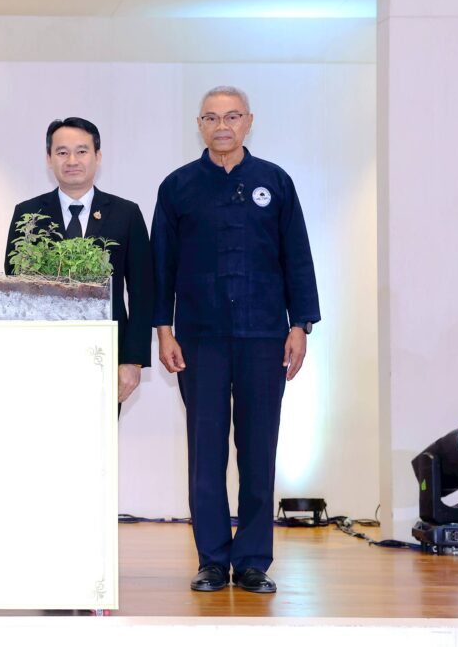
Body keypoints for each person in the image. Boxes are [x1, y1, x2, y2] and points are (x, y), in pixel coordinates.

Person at [151, 86, 320, 594]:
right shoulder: (178, 186)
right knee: (205, 453)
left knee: (258, 451)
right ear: (199, 125)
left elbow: (297, 256)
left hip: (264, 336)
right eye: (211, 118)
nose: (221, 126)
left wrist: (300, 325)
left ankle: (251, 561)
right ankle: (211, 559)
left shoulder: (275, 182)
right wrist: (164, 330)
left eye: (231, 117)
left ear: (248, 121)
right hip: (198, 339)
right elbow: (162, 265)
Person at [4, 117, 154, 402]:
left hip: (106, 355)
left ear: (98, 156)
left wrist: (132, 360)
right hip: (41, 357)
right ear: (49, 158)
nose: (72, 160)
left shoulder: (126, 213)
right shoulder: (28, 214)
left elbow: (143, 292)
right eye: (62, 152)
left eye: (81, 151)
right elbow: (16, 288)